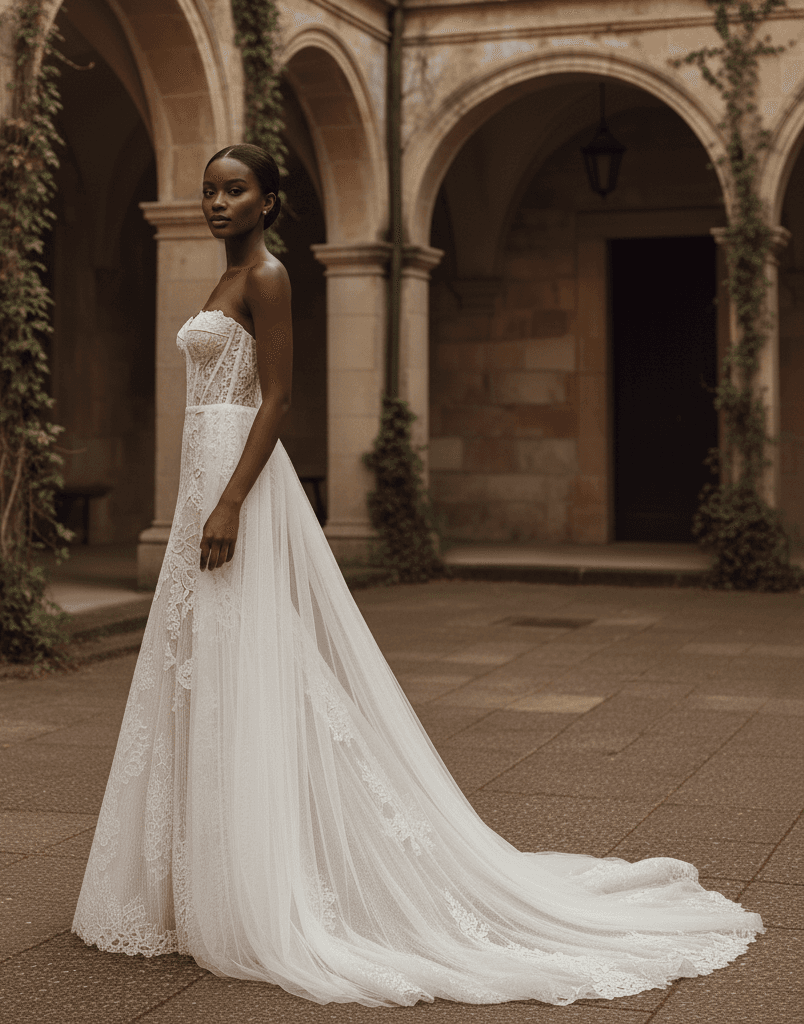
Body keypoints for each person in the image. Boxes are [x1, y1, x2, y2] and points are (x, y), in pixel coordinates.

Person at [71, 144, 763, 1006]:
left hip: (235, 481)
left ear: (270, 200)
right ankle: (200, 872)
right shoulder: (223, 280)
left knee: (245, 653)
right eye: (209, 189)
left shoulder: (271, 278)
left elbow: (279, 397)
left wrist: (230, 502)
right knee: (206, 660)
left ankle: (259, 881)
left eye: (234, 189)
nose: (216, 201)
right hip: (203, 472)